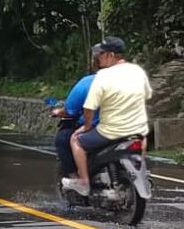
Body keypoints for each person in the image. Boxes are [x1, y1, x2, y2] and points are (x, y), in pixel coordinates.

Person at [63, 37, 152, 196]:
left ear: (111, 55)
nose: (99, 57)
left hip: (110, 132)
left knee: (75, 140)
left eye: (101, 54)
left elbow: (89, 107)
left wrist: (87, 127)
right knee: (143, 139)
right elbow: (147, 95)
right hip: (138, 131)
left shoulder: (103, 76)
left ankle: (83, 182)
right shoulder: (138, 71)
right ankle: (142, 171)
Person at [53, 50, 101, 178]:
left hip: (101, 129)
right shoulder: (128, 81)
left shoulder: (89, 82)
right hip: (129, 127)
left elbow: (70, 110)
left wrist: (58, 112)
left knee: (63, 139)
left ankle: (78, 179)